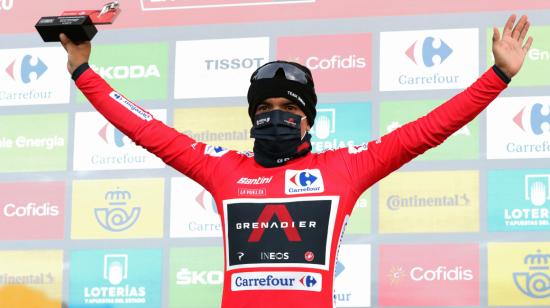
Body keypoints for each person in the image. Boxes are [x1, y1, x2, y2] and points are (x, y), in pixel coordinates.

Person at [59, 14, 532, 308]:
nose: (276, 118)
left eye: (289, 110)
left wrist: (497, 76)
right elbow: (144, 128)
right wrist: (82, 70)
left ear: (309, 122)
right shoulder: (224, 169)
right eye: (265, 111)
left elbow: (426, 131)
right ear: (251, 119)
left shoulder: (344, 169)